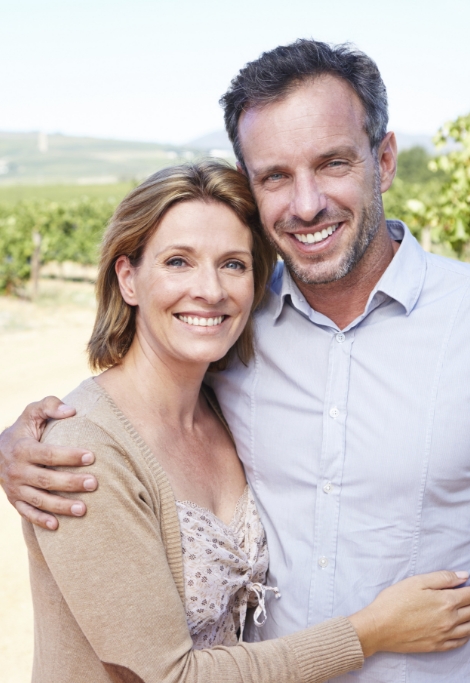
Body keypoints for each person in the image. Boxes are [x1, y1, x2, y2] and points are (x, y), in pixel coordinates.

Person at [1, 39, 470, 681]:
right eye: (275, 176)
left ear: (384, 160)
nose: (306, 205)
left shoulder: (457, 322)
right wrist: (20, 445)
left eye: (332, 163)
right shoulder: (234, 339)